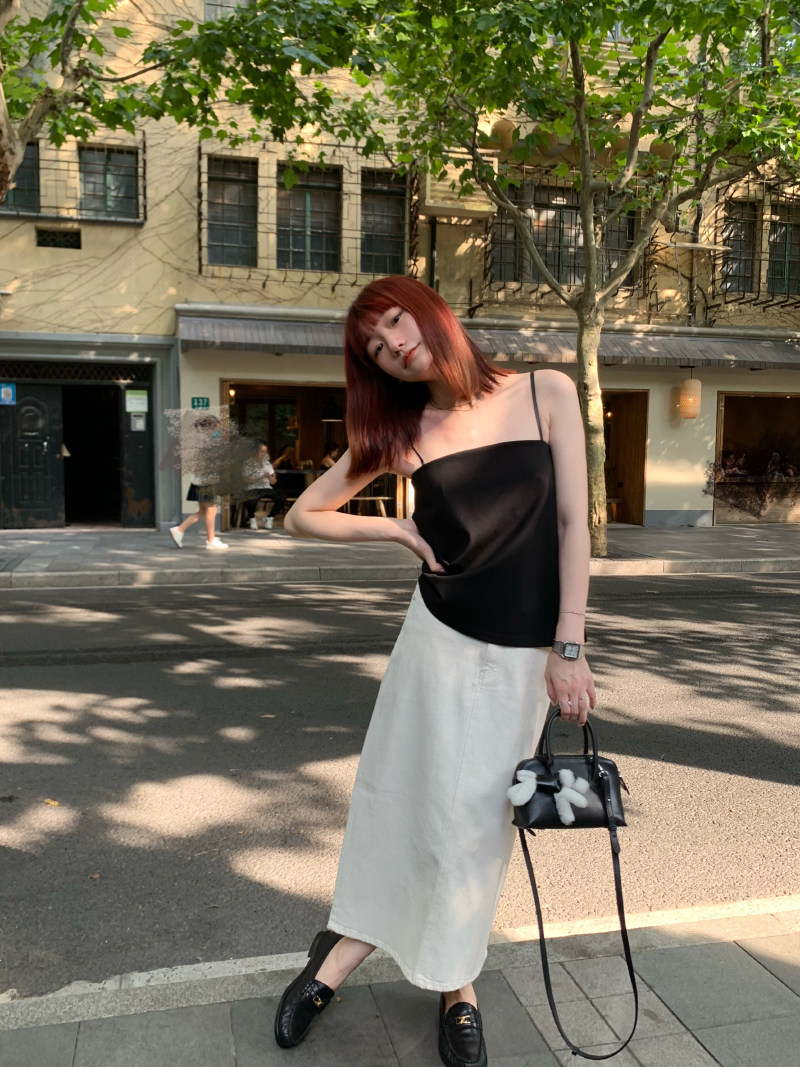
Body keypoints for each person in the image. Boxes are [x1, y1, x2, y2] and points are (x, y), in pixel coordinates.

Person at [275, 276, 595, 1067]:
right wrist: (395, 530)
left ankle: (443, 981)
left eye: (395, 320)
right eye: (376, 347)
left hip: (525, 653)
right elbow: (301, 515)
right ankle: (361, 960)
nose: (394, 344)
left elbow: (573, 523)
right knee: (402, 799)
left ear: (426, 309)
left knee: (479, 824)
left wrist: (570, 645)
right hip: (438, 638)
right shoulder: (404, 430)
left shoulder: (545, 391)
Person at [169, 416, 228, 551]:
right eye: (216, 428)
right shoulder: (206, 442)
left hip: (199, 480)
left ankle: (179, 530)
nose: (217, 431)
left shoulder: (200, 440)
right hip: (206, 481)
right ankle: (211, 540)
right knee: (211, 509)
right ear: (210, 428)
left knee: (203, 511)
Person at [241, 442, 287, 530]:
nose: (263, 454)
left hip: (266, 488)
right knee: (251, 499)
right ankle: (252, 519)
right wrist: (260, 477)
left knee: (282, 497)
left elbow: (273, 482)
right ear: (255, 451)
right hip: (253, 488)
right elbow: (246, 480)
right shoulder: (248, 463)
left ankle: (269, 518)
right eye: (261, 451)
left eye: (265, 452)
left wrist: (271, 478)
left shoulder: (267, 464)